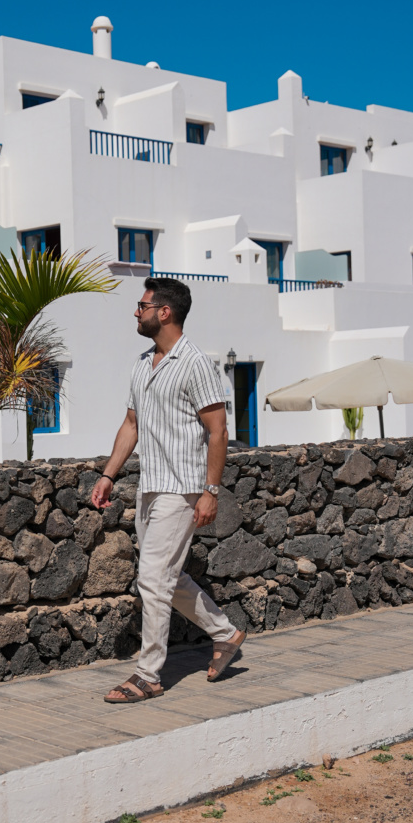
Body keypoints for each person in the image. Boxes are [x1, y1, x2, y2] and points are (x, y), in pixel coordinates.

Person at [92, 277, 245, 703]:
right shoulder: (144, 363)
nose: (135, 312)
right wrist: (109, 474)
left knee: (153, 579)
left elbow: (218, 431)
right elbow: (132, 425)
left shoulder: (195, 363)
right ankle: (226, 633)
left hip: (183, 489)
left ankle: (148, 675)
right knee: (165, 578)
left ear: (164, 311)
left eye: (141, 305)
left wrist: (210, 490)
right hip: (150, 487)